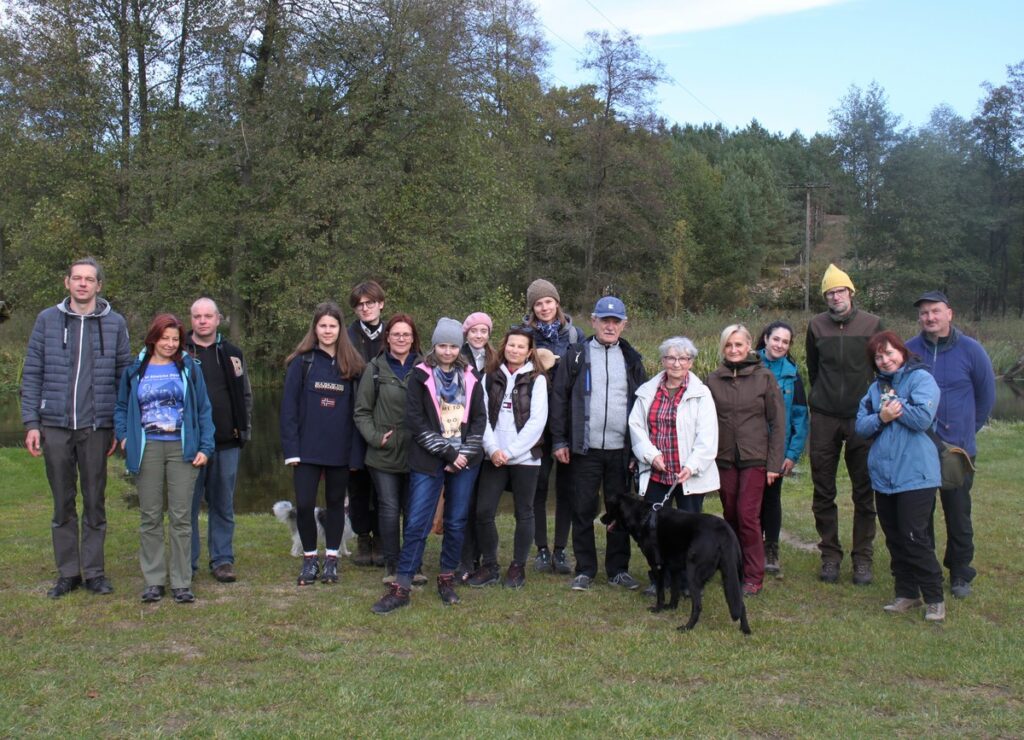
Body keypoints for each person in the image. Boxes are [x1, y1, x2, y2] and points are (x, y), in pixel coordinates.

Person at [22, 257, 132, 599]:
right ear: (67, 282)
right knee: (62, 502)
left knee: (95, 501)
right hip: (54, 425)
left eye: (90, 279)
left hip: (96, 427)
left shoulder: (114, 323)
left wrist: (119, 424)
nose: (83, 284)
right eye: (77, 278)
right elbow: (32, 373)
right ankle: (68, 572)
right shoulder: (47, 320)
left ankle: (95, 572)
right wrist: (31, 422)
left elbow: (123, 377)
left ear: (99, 286)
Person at [371, 318, 486, 613]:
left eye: (452, 346)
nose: (447, 351)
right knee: (417, 523)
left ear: (459, 347)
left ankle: (446, 578)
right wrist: (448, 454)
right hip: (429, 458)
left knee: (456, 521)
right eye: (442, 345)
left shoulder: (471, 377)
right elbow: (416, 421)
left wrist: (463, 455)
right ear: (434, 346)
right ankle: (402, 585)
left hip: (465, 460)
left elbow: (478, 421)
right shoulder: (420, 377)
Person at [115, 313, 215, 604]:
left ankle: (182, 582)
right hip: (147, 449)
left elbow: (204, 410)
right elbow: (121, 407)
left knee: (182, 518)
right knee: (150, 517)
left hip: (182, 449)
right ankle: (154, 581)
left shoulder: (189, 369)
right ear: (153, 338)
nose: (170, 344)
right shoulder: (135, 370)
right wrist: (124, 436)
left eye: (175, 339)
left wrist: (205, 447)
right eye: (165, 338)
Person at [551, 296, 646, 592]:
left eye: (615, 321)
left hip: (620, 451)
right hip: (584, 449)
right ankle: (585, 569)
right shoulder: (576, 355)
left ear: (623, 325)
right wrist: (559, 440)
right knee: (582, 508)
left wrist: (636, 450)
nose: (610, 325)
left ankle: (618, 569)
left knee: (620, 513)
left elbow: (643, 406)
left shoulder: (632, 359)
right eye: (604, 320)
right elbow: (559, 399)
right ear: (593, 321)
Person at [906, 291, 995, 599]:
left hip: (957, 450)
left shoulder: (972, 350)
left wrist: (967, 431)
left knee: (958, 513)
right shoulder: (909, 351)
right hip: (920, 447)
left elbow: (986, 397)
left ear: (949, 314)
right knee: (921, 514)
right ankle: (924, 569)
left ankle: (960, 572)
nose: (929, 317)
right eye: (924, 313)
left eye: (935, 311)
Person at [855, 331, 945, 622]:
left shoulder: (921, 380)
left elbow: (921, 419)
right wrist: (881, 417)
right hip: (884, 476)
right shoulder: (874, 389)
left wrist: (896, 406)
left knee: (914, 536)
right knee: (894, 537)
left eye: (889, 353)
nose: (885, 360)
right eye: (879, 356)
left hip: (916, 474)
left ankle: (934, 598)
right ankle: (907, 593)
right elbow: (861, 426)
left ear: (902, 352)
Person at [805, 264, 883, 585]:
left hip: (861, 417)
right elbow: (813, 367)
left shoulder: (872, 324)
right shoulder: (816, 326)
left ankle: (862, 558)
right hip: (824, 417)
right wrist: (821, 399)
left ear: (851, 292)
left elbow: (883, 366)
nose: (836, 297)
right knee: (823, 489)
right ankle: (830, 556)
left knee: (864, 491)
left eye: (840, 290)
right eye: (830, 292)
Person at [280, 301, 365, 586]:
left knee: (334, 506)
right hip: (305, 451)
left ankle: (331, 560)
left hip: (340, 451)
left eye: (333, 326)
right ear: (315, 328)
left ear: (340, 329)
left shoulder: (352, 366)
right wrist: (291, 450)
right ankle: (309, 560)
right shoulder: (301, 362)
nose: (327, 331)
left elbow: (358, 414)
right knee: (304, 505)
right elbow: (289, 410)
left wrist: (355, 455)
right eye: (322, 326)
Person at [629, 336, 719, 595]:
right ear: (662, 360)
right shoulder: (647, 391)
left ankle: (691, 581)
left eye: (682, 358)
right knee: (657, 530)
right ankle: (661, 578)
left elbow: (708, 436)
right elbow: (636, 427)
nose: (676, 363)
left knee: (690, 532)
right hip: (657, 474)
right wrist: (650, 455)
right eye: (670, 357)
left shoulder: (701, 394)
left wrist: (692, 466)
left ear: (690, 362)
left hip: (688, 475)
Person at [707, 324, 785, 596]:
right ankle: (733, 567)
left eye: (739, 344)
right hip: (724, 458)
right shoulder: (714, 379)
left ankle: (753, 575)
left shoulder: (764, 377)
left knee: (747, 515)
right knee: (729, 515)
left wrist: (774, 464)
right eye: (729, 345)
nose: (734, 350)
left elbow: (778, 423)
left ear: (749, 345)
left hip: (756, 458)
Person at [468, 326, 548, 590]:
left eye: (521, 346)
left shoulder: (537, 379)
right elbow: (481, 416)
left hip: (525, 458)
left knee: (524, 512)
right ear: (505, 346)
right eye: (511, 345)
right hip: (494, 457)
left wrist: (511, 452)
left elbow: (537, 422)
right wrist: (493, 450)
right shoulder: (489, 376)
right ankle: (489, 565)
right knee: (483, 511)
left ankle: (517, 567)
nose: (515, 350)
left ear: (529, 351)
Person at [186, 298, 252, 584]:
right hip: (188, 445)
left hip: (226, 441)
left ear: (218, 320)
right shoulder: (178, 353)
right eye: (197, 316)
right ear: (191, 320)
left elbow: (245, 395)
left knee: (223, 504)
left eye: (208, 316)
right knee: (185, 506)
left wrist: (244, 429)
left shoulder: (232, 354)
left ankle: (222, 560)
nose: (202, 321)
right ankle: (185, 562)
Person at [354, 313, 424, 583]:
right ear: (388, 337)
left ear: (414, 338)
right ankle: (392, 566)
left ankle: (413, 564)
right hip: (383, 454)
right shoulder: (374, 368)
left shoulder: (425, 367)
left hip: (417, 452)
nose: (401, 338)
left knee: (414, 509)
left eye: (406, 334)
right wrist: (375, 437)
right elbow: (361, 412)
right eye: (396, 334)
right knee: (389, 508)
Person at [524, 279, 584, 575]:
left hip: (567, 421)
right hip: (535, 421)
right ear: (532, 308)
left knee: (567, 487)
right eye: (538, 303)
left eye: (548, 301)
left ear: (557, 302)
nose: (544, 307)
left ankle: (561, 549)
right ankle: (542, 549)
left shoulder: (574, 334)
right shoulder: (525, 335)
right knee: (538, 485)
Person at [755, 321, 809, 577]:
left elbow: (800, 415)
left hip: (778, 448)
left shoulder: (792, 374)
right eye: (775, 339)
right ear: (765, 338)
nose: (779, 345)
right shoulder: (749, 364)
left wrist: (792, 454)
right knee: (749, 501)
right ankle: (749, 547)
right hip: (749, 446)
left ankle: (771, 549)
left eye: (785, 342)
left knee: (771, 500)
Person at [347, 280, 387, 567]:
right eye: (360, 304)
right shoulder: (345, 337)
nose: (365, 308)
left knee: (384, 482)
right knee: (358, 480)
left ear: (380, 304)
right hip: (354, 419)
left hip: (387, 419)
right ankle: (363, 537)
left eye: (370, 303)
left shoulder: (395, 334)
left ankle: (384, 537)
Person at [455, 311, 494, 581]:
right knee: (464, 503)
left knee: (483, 504)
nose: (479, 336)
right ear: (466, 334)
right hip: (462, 435)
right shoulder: (458, 358)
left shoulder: (495, 360)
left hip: (490, 437)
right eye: (474, 331)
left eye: (484, 331)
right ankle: (464, 559)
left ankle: (482, 557)